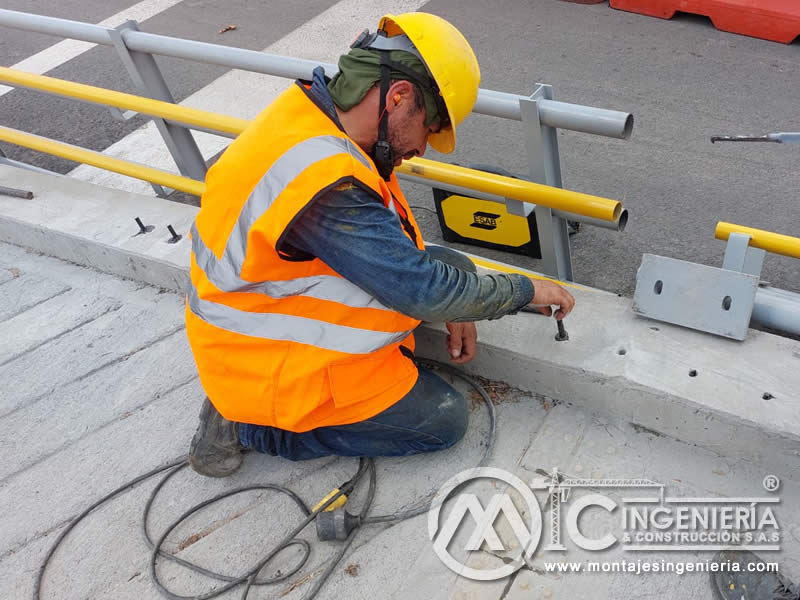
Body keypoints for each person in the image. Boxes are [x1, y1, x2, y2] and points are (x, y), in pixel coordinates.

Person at [185, 12, 575, 477]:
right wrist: (524, 291)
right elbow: (424, 290)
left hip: (277, 303)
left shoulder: (316, 120)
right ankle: (246, 425)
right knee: (443, 420)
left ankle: (246, 404)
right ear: (398, 96)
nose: (423, 149)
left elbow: (414, 267)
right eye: (428, 128)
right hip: (269, 358)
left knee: (455, 269)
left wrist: (463, 303)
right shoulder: (325, 191)